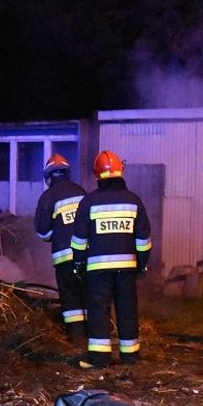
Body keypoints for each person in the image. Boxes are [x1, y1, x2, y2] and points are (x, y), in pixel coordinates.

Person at [69, 150, 152, 369]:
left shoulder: (89, 201)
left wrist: (78, 264)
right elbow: (143, 239)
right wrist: (141, 264)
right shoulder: (134, 201)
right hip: (127, 269)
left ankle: (99, 358)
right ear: (120, 172)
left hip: (97, 270)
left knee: (98, 310)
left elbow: (78, 239)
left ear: (97, 175)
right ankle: (130, 356)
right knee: (127, 309)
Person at [34, 153, 88, 344]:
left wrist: (57, 232)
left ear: (48, 177)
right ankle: (96, 334)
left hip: (64, 259)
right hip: (88, 256)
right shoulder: (82, 192)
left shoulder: (48, 197)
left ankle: (76, 337)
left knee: (71, 298)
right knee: (89, 294)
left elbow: (43, 233)